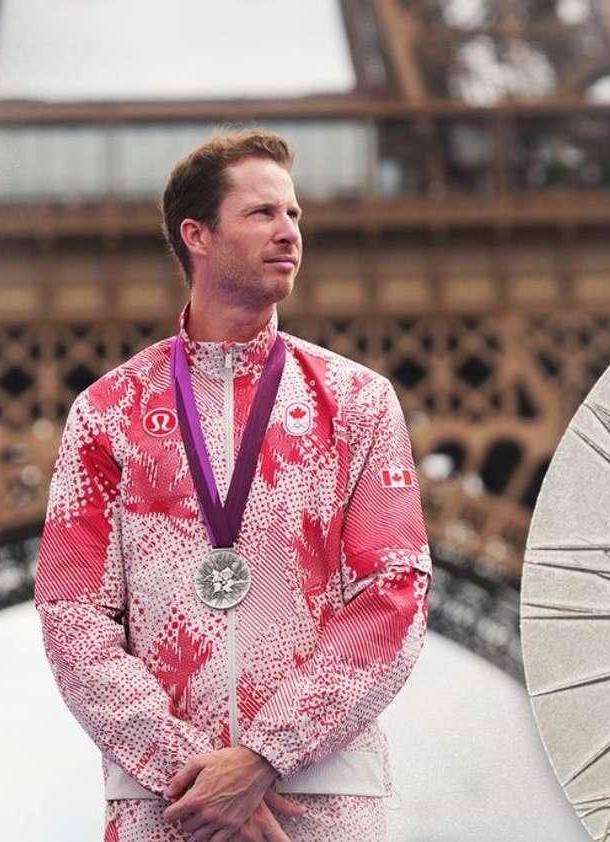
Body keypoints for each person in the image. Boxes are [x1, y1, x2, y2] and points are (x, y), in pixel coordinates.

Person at [34, 129, 431, 841]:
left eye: (295, 215)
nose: (289, 232)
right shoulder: (106, 414)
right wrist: (192, 770)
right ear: (198, 236)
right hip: (171, 804)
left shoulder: (359, 402)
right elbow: (72, 613)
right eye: (262, 214)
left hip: (315, 801)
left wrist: (263, 758)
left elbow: (395, 591)